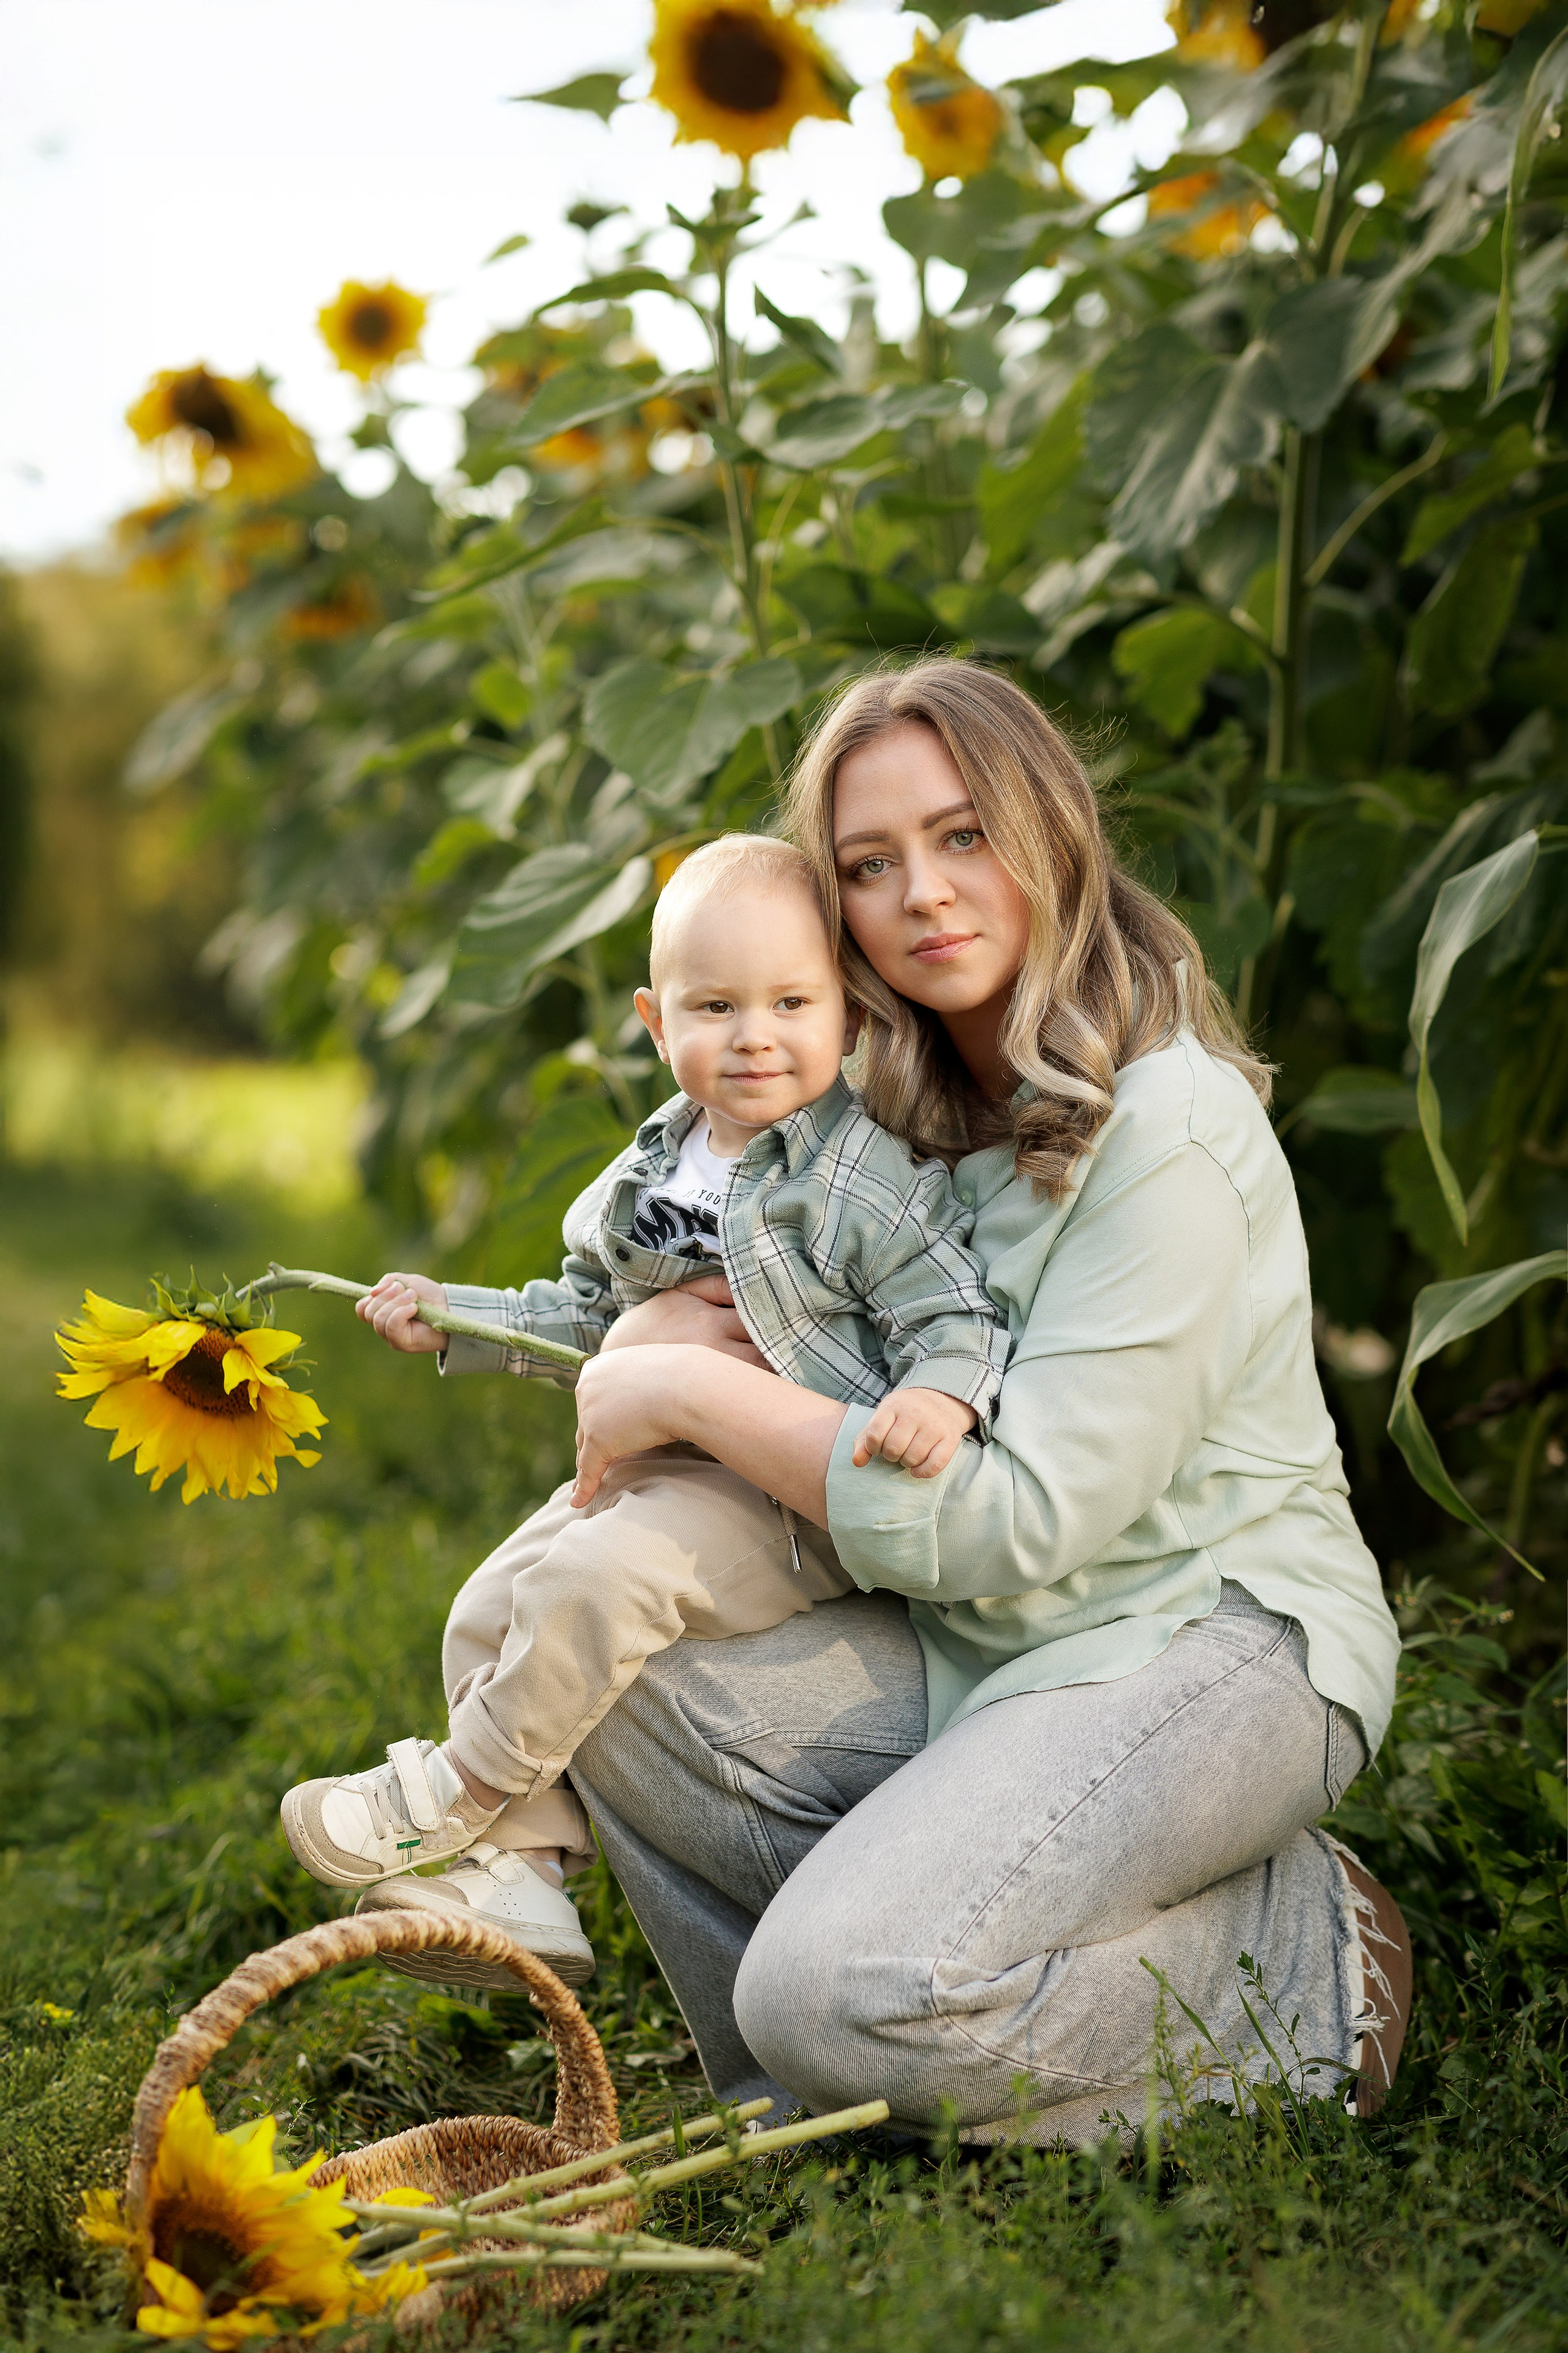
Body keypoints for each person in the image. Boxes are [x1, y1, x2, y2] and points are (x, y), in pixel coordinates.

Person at [547, 657, 1412, 2137]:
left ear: (1050, 833)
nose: (923, 895)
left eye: (963, 836)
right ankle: (822, 2111)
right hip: (984, 1643)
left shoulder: (1169, 1128)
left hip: (1211, 1637)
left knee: (832, 1986)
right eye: (869, 865)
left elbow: (1013, 1523)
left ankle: (1306, 1958)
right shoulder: (869, 1119)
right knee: (611, 1672)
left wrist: (688, 1389)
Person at [279, 832, 1008, 1987]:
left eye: (790, 1001)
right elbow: (578, 1312)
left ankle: (460, 1793)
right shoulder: (647, 1172)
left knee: (586, 1588)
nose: (755, 1034)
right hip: (663, 1471)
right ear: (656, 1024)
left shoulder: (861, 1177)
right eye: (715, 1005)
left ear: (851, 1016)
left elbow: (957, 1307)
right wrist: (453, 1314)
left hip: (787, 1491)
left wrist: (938, 1394)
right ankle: (527, 1878)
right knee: (486, 1605)